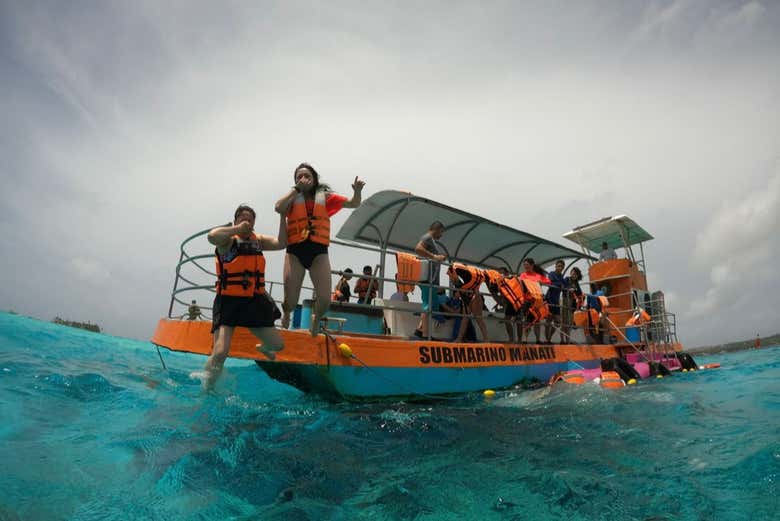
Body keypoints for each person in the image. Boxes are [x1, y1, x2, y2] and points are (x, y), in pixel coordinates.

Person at [196, 204, 286, 390]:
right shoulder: (226, 241)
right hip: (228, 301)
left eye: (250, 219)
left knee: (277, 346)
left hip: (253, 301)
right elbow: (211, 236)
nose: (247, 221)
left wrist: (282, 216)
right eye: (242, 218)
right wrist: (237, 229)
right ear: (235, 221)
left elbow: (281, 243)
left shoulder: (258, 241)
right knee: (220, 352)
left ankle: (263, 348)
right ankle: (207, 388)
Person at [275, 163, 365, 335]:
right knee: (291, 301)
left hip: (318, 252)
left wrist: (357, 192)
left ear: (314, 179)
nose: (303, 178)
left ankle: (316, 318)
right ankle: (287, 312)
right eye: (298, 176)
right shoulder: (292, 198)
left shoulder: (325, 197)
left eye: (307, 176)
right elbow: (278, 207)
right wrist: (296, 189)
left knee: (324, 300)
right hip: (295, 251)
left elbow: (354, 203)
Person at [413, 221, 446, 338]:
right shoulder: (427, 237)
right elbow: (418, 249)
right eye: (441, 232)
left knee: (431, 304)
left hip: (431, 279)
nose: (441, 235)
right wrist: (435, 257)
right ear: (437, 229)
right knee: (428, 305)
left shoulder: (431, 240)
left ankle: (420, 330)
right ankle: (425, 335)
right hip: (428, 279)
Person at [447, 263, 488, 342]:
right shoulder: (466, 278)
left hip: (474, 297)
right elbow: (461, 293)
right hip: (469, 298)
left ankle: (486, 339)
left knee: (478, 318)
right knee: (465, 318)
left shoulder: (467, 277)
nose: (450, 279)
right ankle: (459, 338)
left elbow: (471, 292)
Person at [519, 258, 550, 343]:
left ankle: (538, 339)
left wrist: (541, 283)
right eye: (524, 265)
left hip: (537, 301)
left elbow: (548, 282)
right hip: (527, 300)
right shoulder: (522, 275)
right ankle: (525, 339)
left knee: (537, 320)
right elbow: (521, 288)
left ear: (532, 265)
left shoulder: (537, 276)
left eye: (527, 265)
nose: (525, 266)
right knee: (527, 321)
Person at [544, 260, 566, 343]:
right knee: (548, 320)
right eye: (558, 265)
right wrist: (560, 285)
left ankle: (549, 338)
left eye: (561, 266)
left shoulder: (562, 277)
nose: (560, 267)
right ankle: (547, 340)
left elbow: (565, 285)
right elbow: (551, 283)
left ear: (563, 268)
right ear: (555, 266)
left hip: (556, 301)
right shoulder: (551, 274)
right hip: (549, 299)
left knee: (557, 322)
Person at [560, 266, 583, 343]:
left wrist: (575, 289)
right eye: (573, 273)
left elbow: (579, 292)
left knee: (569, 322)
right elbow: (562, 286)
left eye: (575, 274)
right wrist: (569, 289)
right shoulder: (567, 279)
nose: (573, 274)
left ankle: (567, 340)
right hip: (565, 300)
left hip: (571, 303)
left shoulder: (576, 283)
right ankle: (562, 340)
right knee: (563, 322)